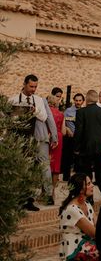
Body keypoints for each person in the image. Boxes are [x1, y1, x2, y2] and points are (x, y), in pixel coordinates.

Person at [10, 74, 58, 208]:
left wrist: (54, 137)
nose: (33, 89)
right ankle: (25, 197)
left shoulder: (40, 100)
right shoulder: (13, 100)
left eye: (35, 87)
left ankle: (48, 194)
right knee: (24, 167)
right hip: (20, 139)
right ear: (24, 84)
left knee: (44, 166)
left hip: (39, 137)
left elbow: (46, 118)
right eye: (31, 86)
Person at [75, 90, 101, 202]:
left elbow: (79, 131)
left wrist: (76, 147)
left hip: (87, 145)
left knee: (87, 170)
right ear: (96, 99)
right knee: (100, 168)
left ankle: (90, 197)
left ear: (86, 99)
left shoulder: (81, 112)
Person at [58, 173, 98, 260]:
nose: (92, 185)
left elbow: (98, 224)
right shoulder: (72, 210)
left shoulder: (87, 204)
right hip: (75, 249)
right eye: (88, 184)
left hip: (86, 244)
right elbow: (95, 233)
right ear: (80, 190)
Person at [62, 93, 84, 182]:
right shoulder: (68, 111)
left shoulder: (84, 111)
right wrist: (67, 128)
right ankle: (66, 178)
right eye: (76, 100)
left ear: (83, 101)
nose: (78, 102)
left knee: (79, 159)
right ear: (74, 100)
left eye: (80, 100)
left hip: (81, 139)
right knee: (68, 158)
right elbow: (62, 122)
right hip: (70, 138)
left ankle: (78, 178)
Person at [47, 93, 65, 202]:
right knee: (56, 165)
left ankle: (45, 192)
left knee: (46, 163)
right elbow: (63, 131)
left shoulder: (45, 112)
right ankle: (53, 191)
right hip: (58, 137)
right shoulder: (61, 114)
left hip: (47, 136)